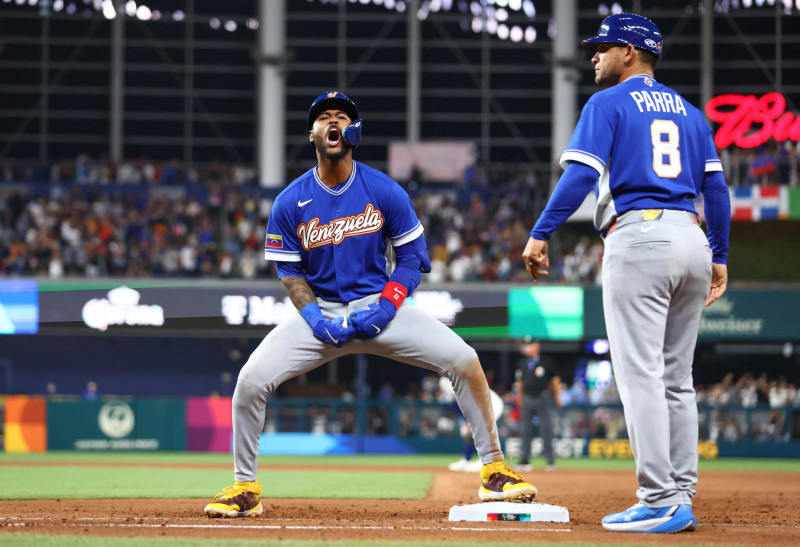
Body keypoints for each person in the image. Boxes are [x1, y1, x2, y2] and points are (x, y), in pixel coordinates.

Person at [204, 91, 536, 518]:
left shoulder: (383, 189)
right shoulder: (290, 200)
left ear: (354, 131)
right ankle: (244, 487)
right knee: (250, 381)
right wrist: (314, 319)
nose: (333, 122)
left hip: (379, 306)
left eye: (342, 117)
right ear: (311, 134)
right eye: (324, 117)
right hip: (321, 311)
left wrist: (386, 307)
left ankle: (493, 470)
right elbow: (290, 272)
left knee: (465, 359)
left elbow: (413, 259)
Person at [522, 14, 730, 534]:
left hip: (639, 237)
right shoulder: (691, 113)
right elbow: (716, 190)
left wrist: (542, 231)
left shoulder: (607, 103)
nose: (594, 55)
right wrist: (720, 255)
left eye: (604, 47)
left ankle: (660, 499)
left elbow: (581, 174)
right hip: (691, 238)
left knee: (641, 374)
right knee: (677, 379)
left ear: (630, 53)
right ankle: (680, 493)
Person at [514, 339, 561, 472]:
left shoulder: (546, 361)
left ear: (536, 346)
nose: (526, 348)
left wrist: (557, 397)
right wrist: (519, 398)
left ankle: (550, 460)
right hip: (527, 397)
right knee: (525, 430)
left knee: (546, 429)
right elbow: (519, 382)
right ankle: (524, 460)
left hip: (543, 396)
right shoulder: (522, 362)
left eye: (529, 345)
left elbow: (555, 379)